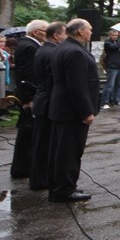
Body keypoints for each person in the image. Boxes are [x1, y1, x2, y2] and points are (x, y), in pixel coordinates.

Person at [48, 18, 99, 202]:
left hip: (62, 108)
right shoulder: (74, 52)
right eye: (89, 29)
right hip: (71, 111)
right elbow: (76, 86)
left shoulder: (62, 48)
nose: (91, 32)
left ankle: (60, 186)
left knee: (62, 150)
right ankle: (65, 189)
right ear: (79, 31)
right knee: (69, 152)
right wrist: (86, 111)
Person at [29, 21, 67, 191]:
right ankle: (41, 179)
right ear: (57, 35)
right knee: (45, 144)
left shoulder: (43, 50)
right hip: (48, 102)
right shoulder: (52, 52)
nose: (66, 37)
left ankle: (39, 177)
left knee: (41, 143)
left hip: (42, 99)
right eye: (65, 34)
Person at [11, 20, 48, 179]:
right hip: (29, 96)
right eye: (45, 31)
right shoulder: (29, 47)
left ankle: (24, 166)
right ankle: (23, 167)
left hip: (29, 94)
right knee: (28, 132)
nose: (47, 34)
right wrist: (28, 98)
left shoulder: (27, 45)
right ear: (36, 32)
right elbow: (27, 76)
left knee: (28, 132)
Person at [100, 29, 120, 109]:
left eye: (116, 35)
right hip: (112, 66)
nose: (114, 37)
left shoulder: (119, 42)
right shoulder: (108, 43)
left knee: (118, 84)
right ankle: (104, 102)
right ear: (109, 36)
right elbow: (115, 47)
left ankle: (117, 100)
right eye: (113, 35)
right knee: (109, 84)